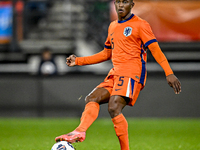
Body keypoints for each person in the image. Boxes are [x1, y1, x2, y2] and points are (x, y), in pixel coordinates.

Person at [55, 0, 181, 149]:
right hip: (115, 73)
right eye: (118, 2)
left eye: (125, 2)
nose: (121, 5)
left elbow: (155, 50)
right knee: (91, 98)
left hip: (132, 74)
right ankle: (80, 131)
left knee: (114, 107)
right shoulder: (113, 26)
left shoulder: (141, 24)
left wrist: (169, 73)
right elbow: (106, 53)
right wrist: (79, 61)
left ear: (132, 5)